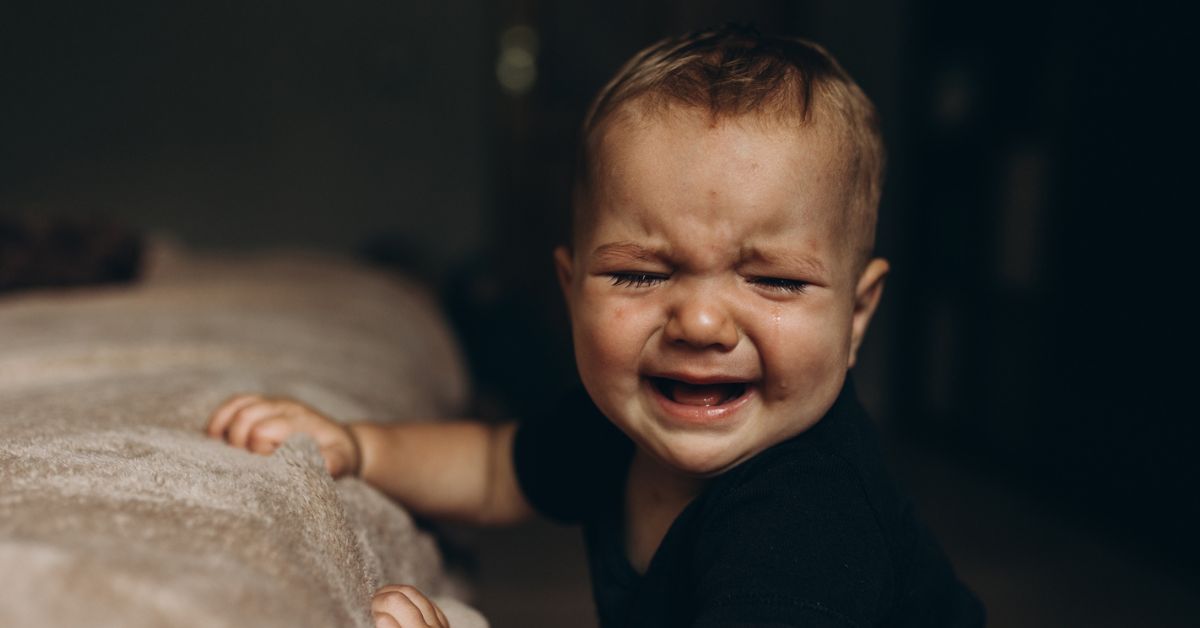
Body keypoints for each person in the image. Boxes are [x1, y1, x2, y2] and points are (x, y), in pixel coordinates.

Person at [208, 24, 984, 628]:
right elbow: (491, 469)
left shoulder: (811, 523)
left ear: (857, 317)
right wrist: (359, 445)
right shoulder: (624, 423)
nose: (703, 321)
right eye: (643, 274)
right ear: (570, 289)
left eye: (775, 280)